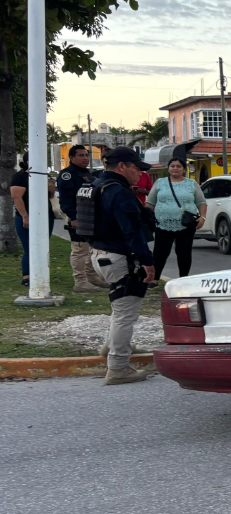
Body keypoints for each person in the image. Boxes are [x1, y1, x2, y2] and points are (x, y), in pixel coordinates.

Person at [81, 146, 155, 385]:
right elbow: (132, 231)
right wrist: (148, 263)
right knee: (126, 312)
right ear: (122, 166)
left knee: (119, 306)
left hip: (98, 254)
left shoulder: (94, 185)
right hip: (118, 256)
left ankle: (110, 346)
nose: (140, 174)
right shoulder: (118, 192)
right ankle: (118, 367)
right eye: (137, 169)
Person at [57, 144, 108, 293]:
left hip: (92, 218)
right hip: (78, 218)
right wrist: (73, 218)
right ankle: (80, 281)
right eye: (81, 155)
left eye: (86, 155)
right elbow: (66, 200)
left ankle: (92, 278)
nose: (85, 158)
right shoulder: (68, 175)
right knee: (80, 250)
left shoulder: (87, 174)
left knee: (92, 250)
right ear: (71, 158)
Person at [146, 157, 206, 278]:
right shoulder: (160, 183)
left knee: (184, 252)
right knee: (160, 252)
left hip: (186, 225)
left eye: (178, 166)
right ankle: (154, 278)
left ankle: (183, 278)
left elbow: (201, 202)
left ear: (184, 169)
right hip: (162, 224)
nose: (175, 168)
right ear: (168, 169)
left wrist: (203, 217)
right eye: (172, 166)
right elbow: (150, 203)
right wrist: (148, 218)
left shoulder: (191, 184)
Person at [9, 153, 55, 288]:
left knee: (43, 246)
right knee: (29, 247)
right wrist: (25, 216)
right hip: (26, 217)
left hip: (46, 216)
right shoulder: (21, 177)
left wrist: (50, 187)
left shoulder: (44, 177)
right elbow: (17, 198)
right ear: (28, 161)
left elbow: (51, 195)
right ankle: (27, 276)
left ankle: (41, 273)